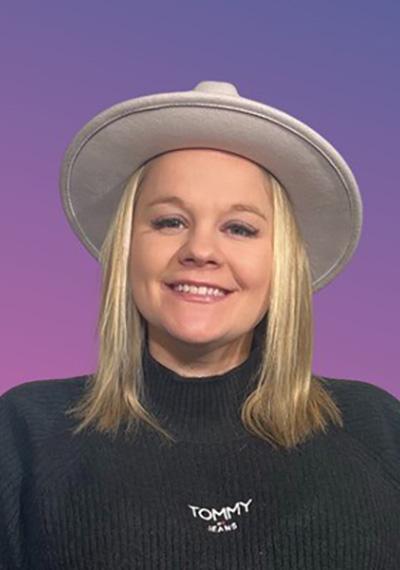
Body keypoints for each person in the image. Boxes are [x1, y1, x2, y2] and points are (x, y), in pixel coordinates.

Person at [1, 80, 399, 569]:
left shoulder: (378, 430)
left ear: (283, 264)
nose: (201, 250)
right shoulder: (24, 436)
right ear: (127, 249)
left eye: (240, 228)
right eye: (170, 221)